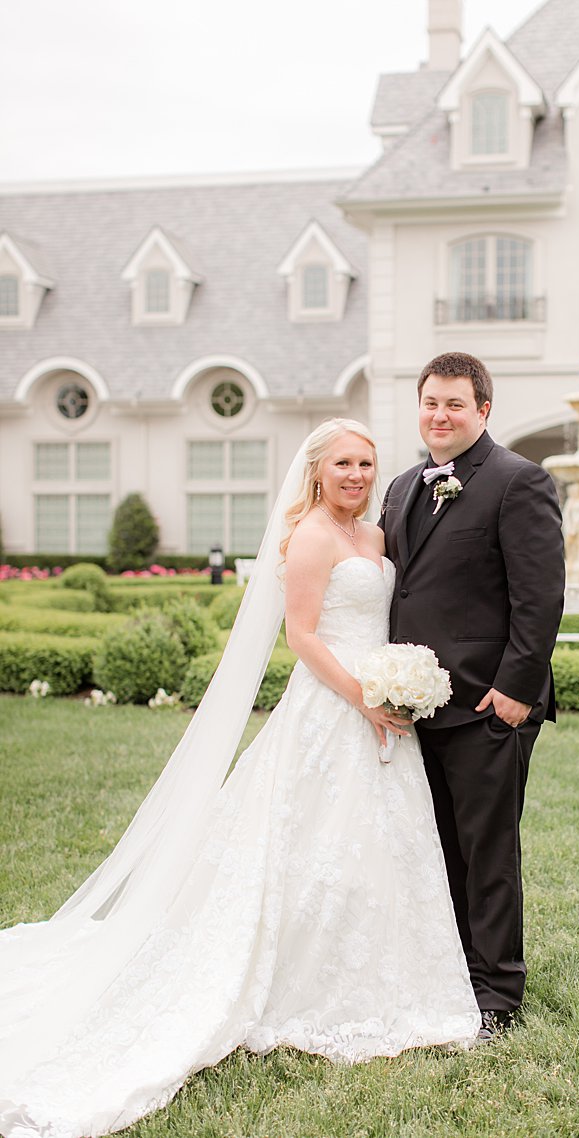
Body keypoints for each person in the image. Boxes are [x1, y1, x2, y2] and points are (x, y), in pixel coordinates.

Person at [0, 419, 479, 1138]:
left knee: (383, 844)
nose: (356, 474)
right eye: (344, 463)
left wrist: (396, 686)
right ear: (317, 471)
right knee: (310, 844)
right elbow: (304, 637)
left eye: (367, 463)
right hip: (333, 707)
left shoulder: (377, 537)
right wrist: (364, 696)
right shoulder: (313, 536)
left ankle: (384, 974)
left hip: (383, 709)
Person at [378, 352, 565, 1036]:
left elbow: (540, 596)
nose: (440, 415)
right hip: (417, 707)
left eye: (455, 404)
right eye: (431, 402)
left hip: (489, 706)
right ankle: (448, 971)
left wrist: (515, 689)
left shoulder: (520, 482)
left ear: (483, 410)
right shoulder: (399, 488)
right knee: (435, 847)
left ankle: (496, 994)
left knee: (488, 852)